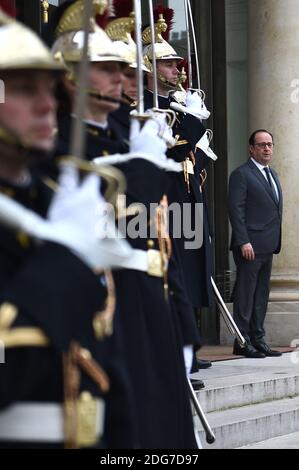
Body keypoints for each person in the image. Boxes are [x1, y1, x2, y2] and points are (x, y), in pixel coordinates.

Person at [0, 8, 137, 449]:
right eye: (23, 92)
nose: (47, 104)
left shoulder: (52, 195)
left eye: (49, 89)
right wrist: (64, 262)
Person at [228, 129, 283, 358]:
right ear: (251, 148)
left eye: (269, 144)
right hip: (249, 246)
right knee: (245, 294)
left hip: (267, 245)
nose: (266, 148)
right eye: (261, 145)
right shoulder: (242, 174)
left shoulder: (273, 174)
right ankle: (242, 340)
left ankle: (258, 337)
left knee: (261, 294)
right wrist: (243, 241)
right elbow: (236, 210)